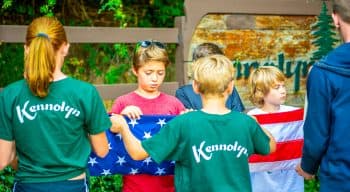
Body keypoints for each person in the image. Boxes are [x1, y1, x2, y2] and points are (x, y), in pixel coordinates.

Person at [111, 54, 276, 192]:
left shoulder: (183, 123)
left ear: (195, 87)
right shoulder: (246, 123)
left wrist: (124, 126)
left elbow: (138, 153)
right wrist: (257, 124)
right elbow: (270, 147)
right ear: (231, 87)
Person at [0, 16, 112, 192]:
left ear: (27, 49)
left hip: (27, 186)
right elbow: (102, 150)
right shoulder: (84, 92)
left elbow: (3, 158)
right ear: (65, 47)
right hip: (73, 185)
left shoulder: (10, 94)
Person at [110, 40, 185, 192]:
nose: (155, 79)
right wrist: (121, 117)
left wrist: (189, 119)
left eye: (160, 73)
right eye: (148, 73)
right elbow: (107, 132)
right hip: (134, 185)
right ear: (135, 70)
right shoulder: (123, 102)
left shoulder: (174, 104)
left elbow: (185, 140)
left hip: (168, 185)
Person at [296, 0, 350, 191]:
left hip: (340, 178)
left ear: (335, 17)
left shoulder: (323, 72)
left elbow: (318, 132)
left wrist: (308, 166)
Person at [247, 66, 304, 192]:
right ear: (261, 91)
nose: (283, 91)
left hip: (290, 180)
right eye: (277, 87)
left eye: (283, 86)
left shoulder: (295, 115)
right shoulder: (251, 118)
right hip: (261, 181)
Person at [175, 42, 245, 112]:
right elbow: (189, 120)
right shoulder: (184, 93)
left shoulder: (228, 88)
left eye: (217, 65)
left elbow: (239, 117)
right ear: (196, 66)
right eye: (208, 66)